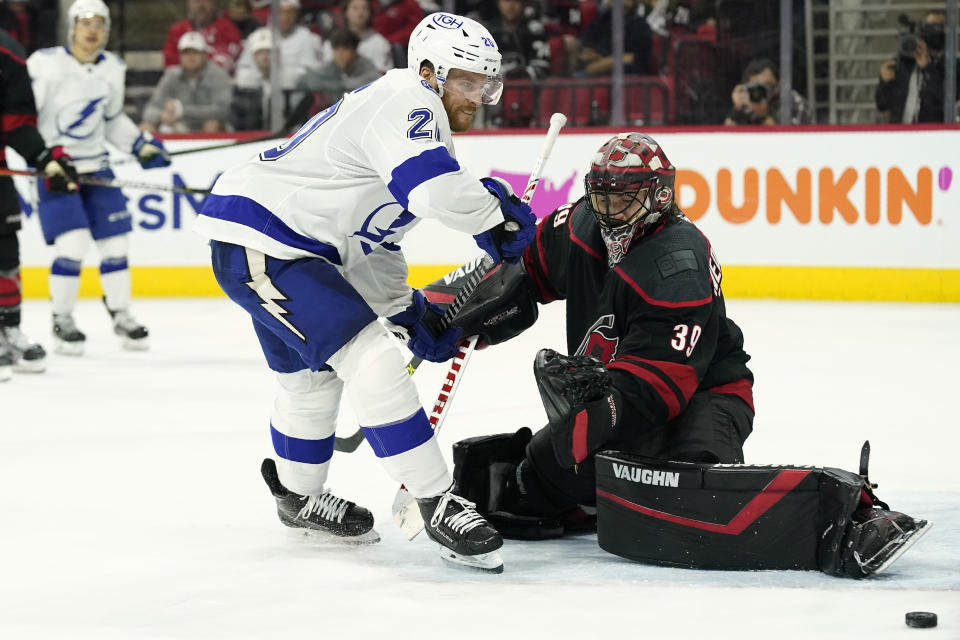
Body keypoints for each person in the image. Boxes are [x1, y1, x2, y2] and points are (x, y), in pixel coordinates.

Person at [444, 133, 929, 577]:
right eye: (602, 193)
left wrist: (593, 406)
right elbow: (522, 270)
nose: (609, 207)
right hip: (621, 387)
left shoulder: (677, 265)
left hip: (705, 394)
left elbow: (656, 394)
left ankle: (847, 517)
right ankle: (578, 493)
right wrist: (443, 314)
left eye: (623, 195)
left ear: (658, 194)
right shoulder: (582, 222)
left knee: (690, 495)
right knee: (539, 475)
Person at [193, 12, 537, 573]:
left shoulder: (420, 127)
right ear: (429, 70)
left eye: (485, 84)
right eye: (467, 81)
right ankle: (437, 500)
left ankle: (298, 497)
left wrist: (407, 313)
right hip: (271, 244)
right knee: (371, 361)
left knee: (311, 380)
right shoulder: (408, 98)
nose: (477, 96)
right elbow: (431, 193)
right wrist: (494, 214)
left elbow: (374, 244)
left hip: (281, 247)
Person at [27, 0, 172, 355]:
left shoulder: (112, 68)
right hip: (55, 169)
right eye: (85, 22)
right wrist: (41, 158)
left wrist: (139, 145)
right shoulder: (44, 65)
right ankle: (62, 319)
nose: (92, 30)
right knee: (72, 245)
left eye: (100, 23)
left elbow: (111, 118)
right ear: (72, 27)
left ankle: (121, 314)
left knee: (116, 246)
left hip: (98, 168)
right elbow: (26, 117)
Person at [0, 27, 79, 380]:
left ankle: (8, 332)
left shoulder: (8, 51)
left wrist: (46, 158)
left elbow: (15, 123)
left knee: (4, 253)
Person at [876, 11, 959, 124]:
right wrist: (885, 83)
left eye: (939, 27)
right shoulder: (904, 62)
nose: (934, 32)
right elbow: (882, 104)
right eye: (929, 27)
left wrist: (927, 67)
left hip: (934, 135)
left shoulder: (953, 65)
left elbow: (949, 99)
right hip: (899, 134)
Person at [142, 31, 233, 134]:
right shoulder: (172, 75)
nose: (190, 57)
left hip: (207, 127)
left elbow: (222, 110)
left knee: (212, 125)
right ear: (180, 56)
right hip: (179, 125)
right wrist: (161, 115)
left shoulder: (218, 75)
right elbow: (150, 108)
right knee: (146, 127)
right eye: (186, 53)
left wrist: (182, 110)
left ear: (204, 55)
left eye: (195, 52)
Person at [234, 1, 324, 91]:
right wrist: (263, 77)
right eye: (280, 12)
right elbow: (242, 75)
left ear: (296, 14)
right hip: (258, 96)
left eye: (290, 12)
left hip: (296, 96)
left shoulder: (308, 38)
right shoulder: (257, 37)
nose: (285, 17)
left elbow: (310, 76)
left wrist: (272, 76)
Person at [725, 57, 812, 125]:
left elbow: (787, 142)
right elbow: (726, 140)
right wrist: (736, 110)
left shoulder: (796, 104)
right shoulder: (748, 102)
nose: (764, 91)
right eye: (757, 87)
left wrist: (762, 115)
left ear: (779, 84)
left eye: (769, 86)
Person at [163, 0, 243, 73]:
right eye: (196, 1)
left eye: (206, 1)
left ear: (214, 3)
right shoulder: (178, 30)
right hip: (182, 84)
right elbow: (170, 63)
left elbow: (225, 63)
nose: (201, 5)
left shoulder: (228, 29)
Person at [577, 0, 654, 76]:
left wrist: (606, 63)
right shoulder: (604, 18)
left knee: (581, 76)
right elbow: (587, 43)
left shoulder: (640, 25)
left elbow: (636, 60)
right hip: (596, 72)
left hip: (628, 80)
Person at [297, 29, 382, 98]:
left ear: (354, 50)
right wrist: (338, 84)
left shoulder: (364, 64)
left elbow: (376, 82)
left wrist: (343, 83)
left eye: (345, 48)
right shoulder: (332, 65)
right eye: (336, 48)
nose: (340, 53)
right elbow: (304, 81)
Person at [488, 0, 551, 81]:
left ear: (524, 4)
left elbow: (542, 68)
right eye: (505, 1)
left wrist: (518, 74)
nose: (510, 6)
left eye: (516, 1)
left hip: (524, 88)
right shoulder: (488, 30)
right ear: (498, 3)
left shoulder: (535, 30)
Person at [325, 0, 392, 73]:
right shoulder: (332, 42)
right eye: (355, 8)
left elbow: (382, 76)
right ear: (345, 12)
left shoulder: (380, 43)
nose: (360, 13)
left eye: (364, 8)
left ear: (370, 13)